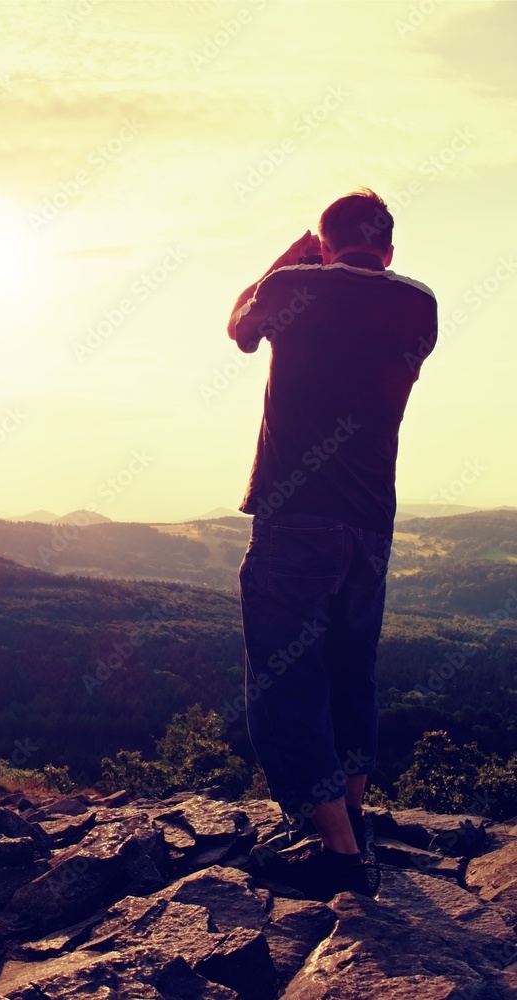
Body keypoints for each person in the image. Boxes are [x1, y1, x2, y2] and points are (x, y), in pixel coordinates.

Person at [227, 188, 437, 899]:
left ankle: (339, 855)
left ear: (322, 243)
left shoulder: (292, 287)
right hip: (371, 523)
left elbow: (239, 330)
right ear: (388, 249)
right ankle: (352, 816)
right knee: (352, 672)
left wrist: (288, 258)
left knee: (288, 681)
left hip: (296, 516)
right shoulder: (419, 304)